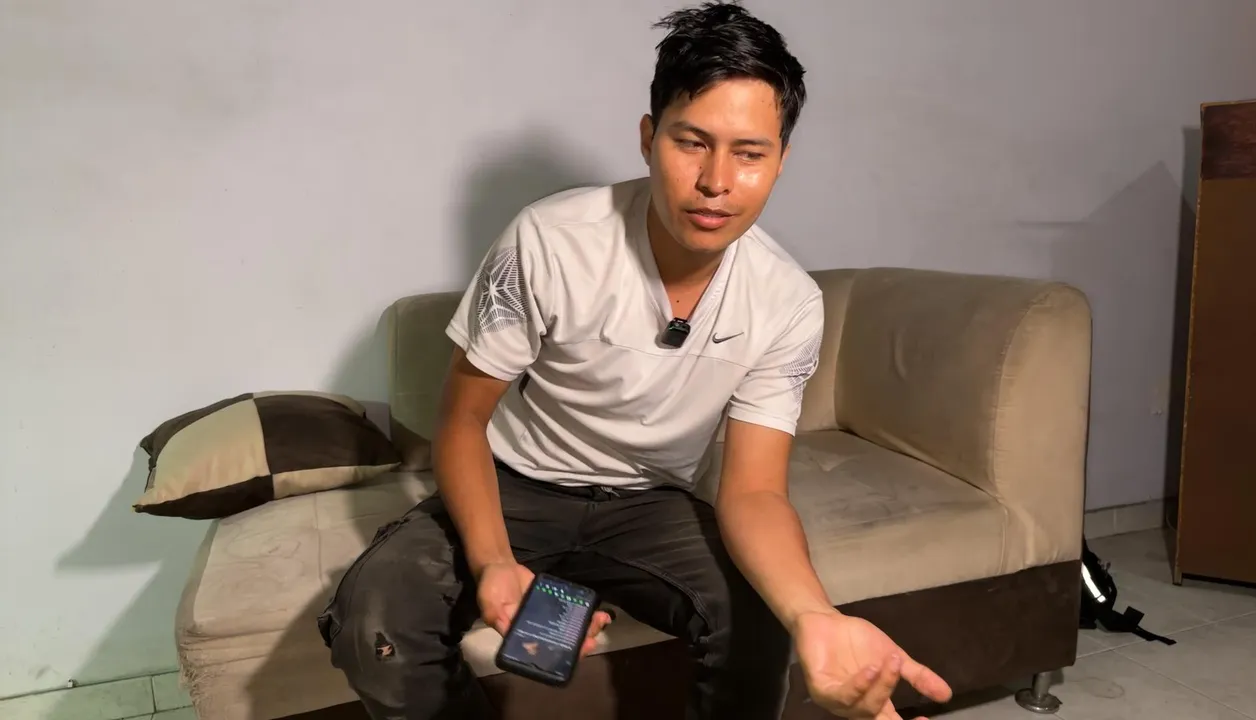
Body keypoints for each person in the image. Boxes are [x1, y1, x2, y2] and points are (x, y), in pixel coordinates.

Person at [318, 2, 953, 718]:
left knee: (760, 624)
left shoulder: (789, 301)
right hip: (517, 485)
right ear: (649, 138)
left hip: (652, 502)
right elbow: (462, 420)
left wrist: (815, 614)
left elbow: (754, 492)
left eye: (750, 153)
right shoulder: (550, 240)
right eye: (692, 143)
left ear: (781, 159)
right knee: (375, 622)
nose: (716, 181)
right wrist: (494, 561)